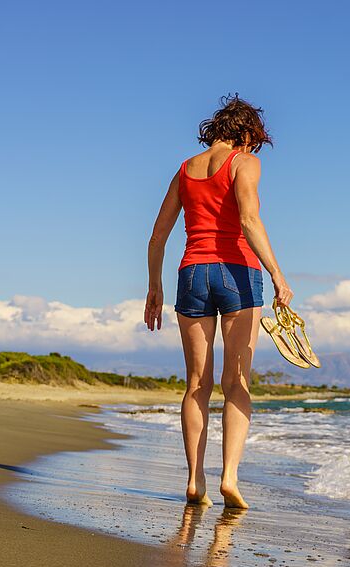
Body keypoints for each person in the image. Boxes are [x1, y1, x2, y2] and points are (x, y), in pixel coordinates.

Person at [143, 93, 293, 509]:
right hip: (238, 272)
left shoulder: (185, 170)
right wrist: (279, 275)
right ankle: (229, 477)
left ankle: (195, 480)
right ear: (246, 132)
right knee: (236, 383)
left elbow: (158, 237)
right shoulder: (245, 163)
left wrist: (154, 288)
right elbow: (248, 219)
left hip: (191, 273)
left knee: (196, 383)